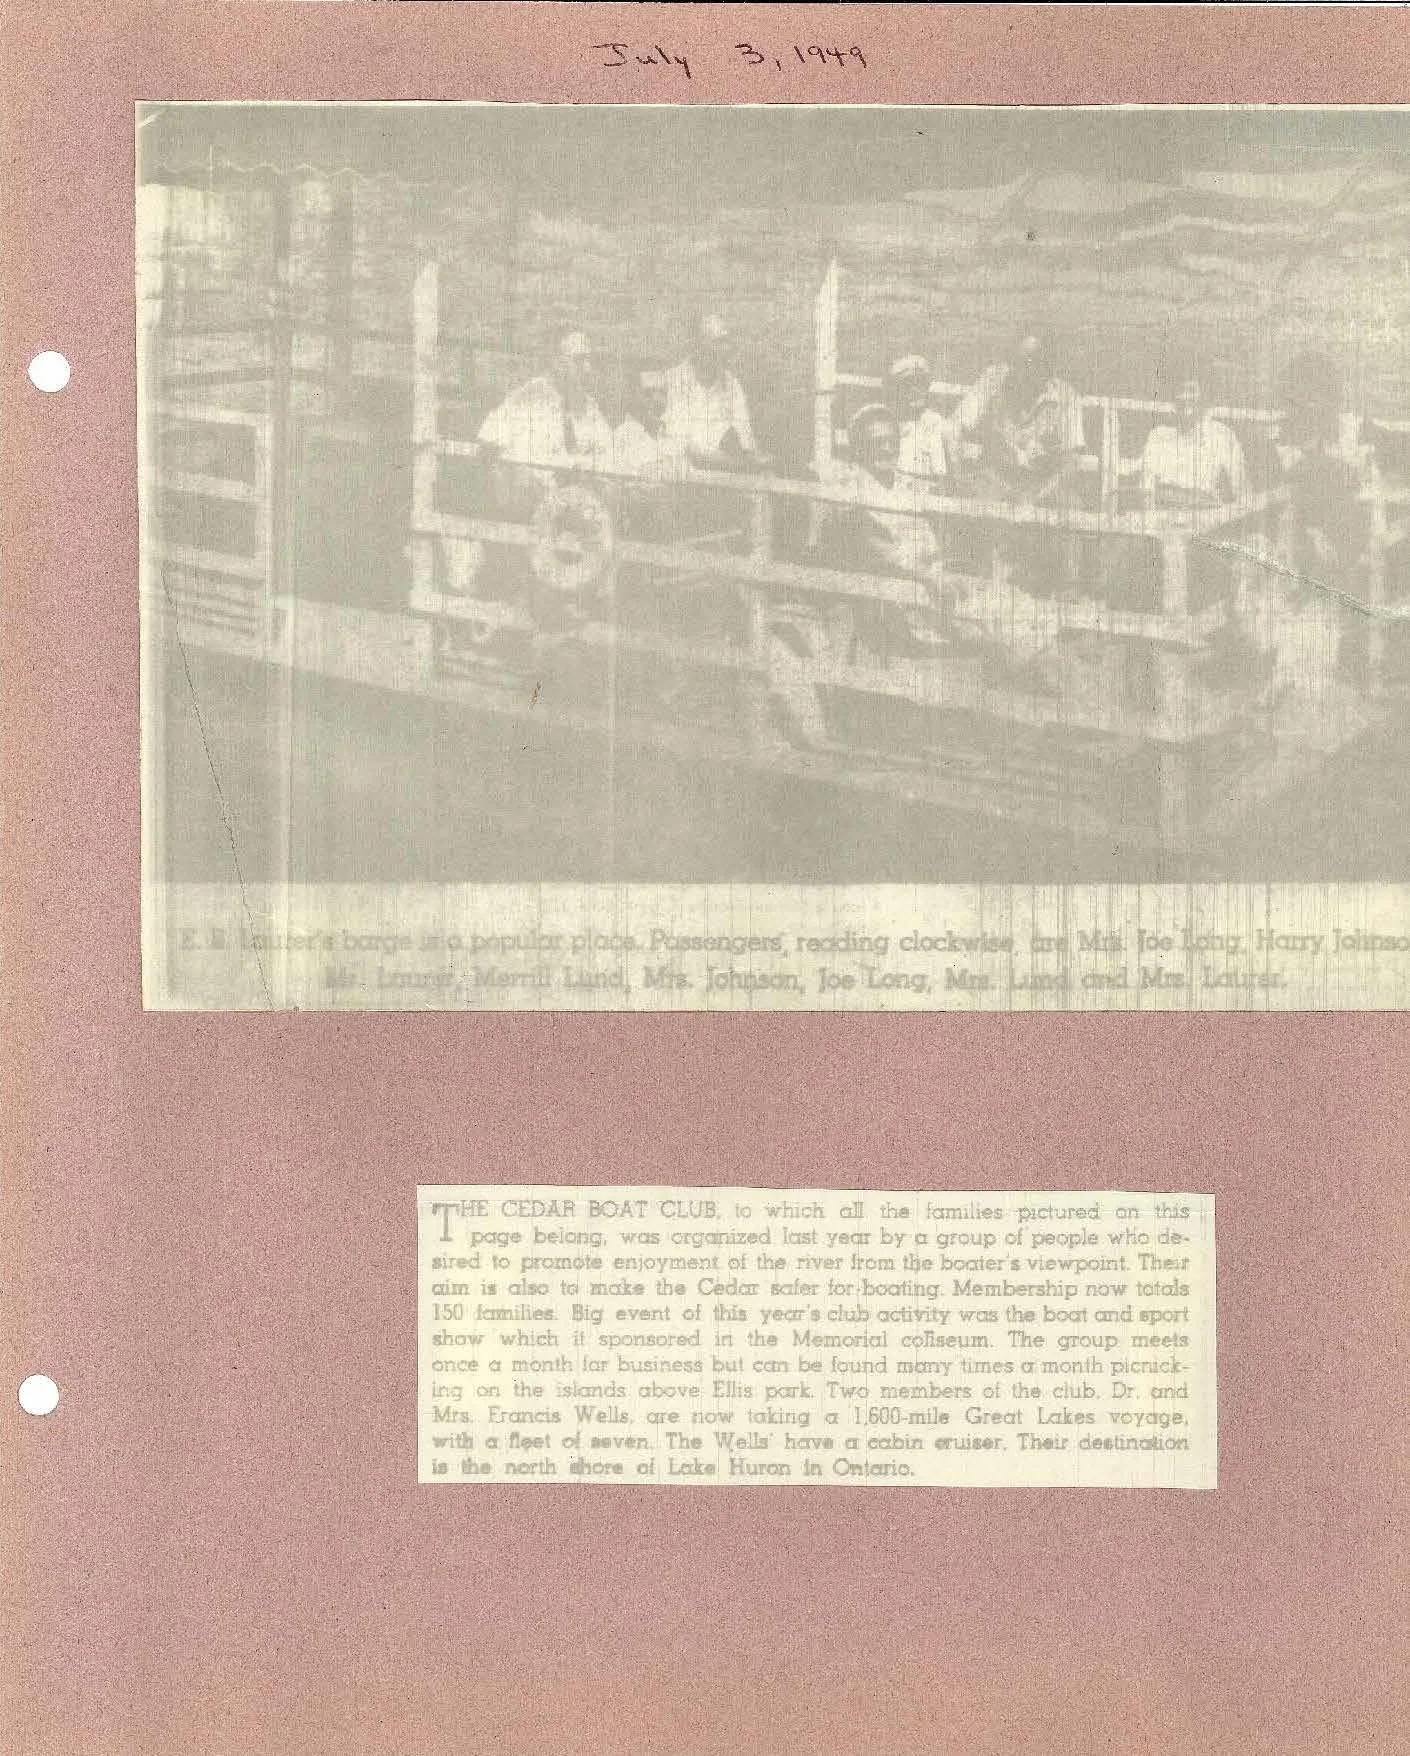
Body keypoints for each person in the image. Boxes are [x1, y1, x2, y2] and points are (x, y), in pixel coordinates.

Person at [952, 333, 1087, 499]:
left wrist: (1037, 497)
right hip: (997, 478)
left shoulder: (1066, 396)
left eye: (1032, 362)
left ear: (1047, 366)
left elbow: (1072, 461)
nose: (1022, 371)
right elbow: (955, 426)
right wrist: (960, 478)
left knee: (1068, 505)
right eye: (1017, 362)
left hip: (1042, 483)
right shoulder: (994, 379)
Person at [476, 329, 615, 470]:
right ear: (556, 361)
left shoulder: (588, 405)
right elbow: (487, 448)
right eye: (579, 360)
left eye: (589, 360)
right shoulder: (526, 398)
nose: (588, 368)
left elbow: (611, 453)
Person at [660, 313, 761, 469]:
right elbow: (686, 448)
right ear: (698, 346)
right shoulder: (674, 381)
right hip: (685, 477)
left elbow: (745, 440)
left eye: (727, 342)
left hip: (730, 474)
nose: (725, 349)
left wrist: (748, 458)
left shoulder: (732, 385)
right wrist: (740, 463)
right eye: (718, 342)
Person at [1138, 378, 1249, 512]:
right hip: (1164, 518)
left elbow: (1243, 494)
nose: (1184, 397)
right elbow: (1146, 492)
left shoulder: (1222, 436)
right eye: (1179, 391)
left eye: (1192, 391)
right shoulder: (1158, 436)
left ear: (1205, 399)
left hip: (1206, 518)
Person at [885, 355, 951, 488]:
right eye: (907, 385)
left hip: (925, 496)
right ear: (896, 390)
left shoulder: (933, 422)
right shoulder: (888, 421)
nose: (915, 390)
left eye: (920, 384)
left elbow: (941, 477)